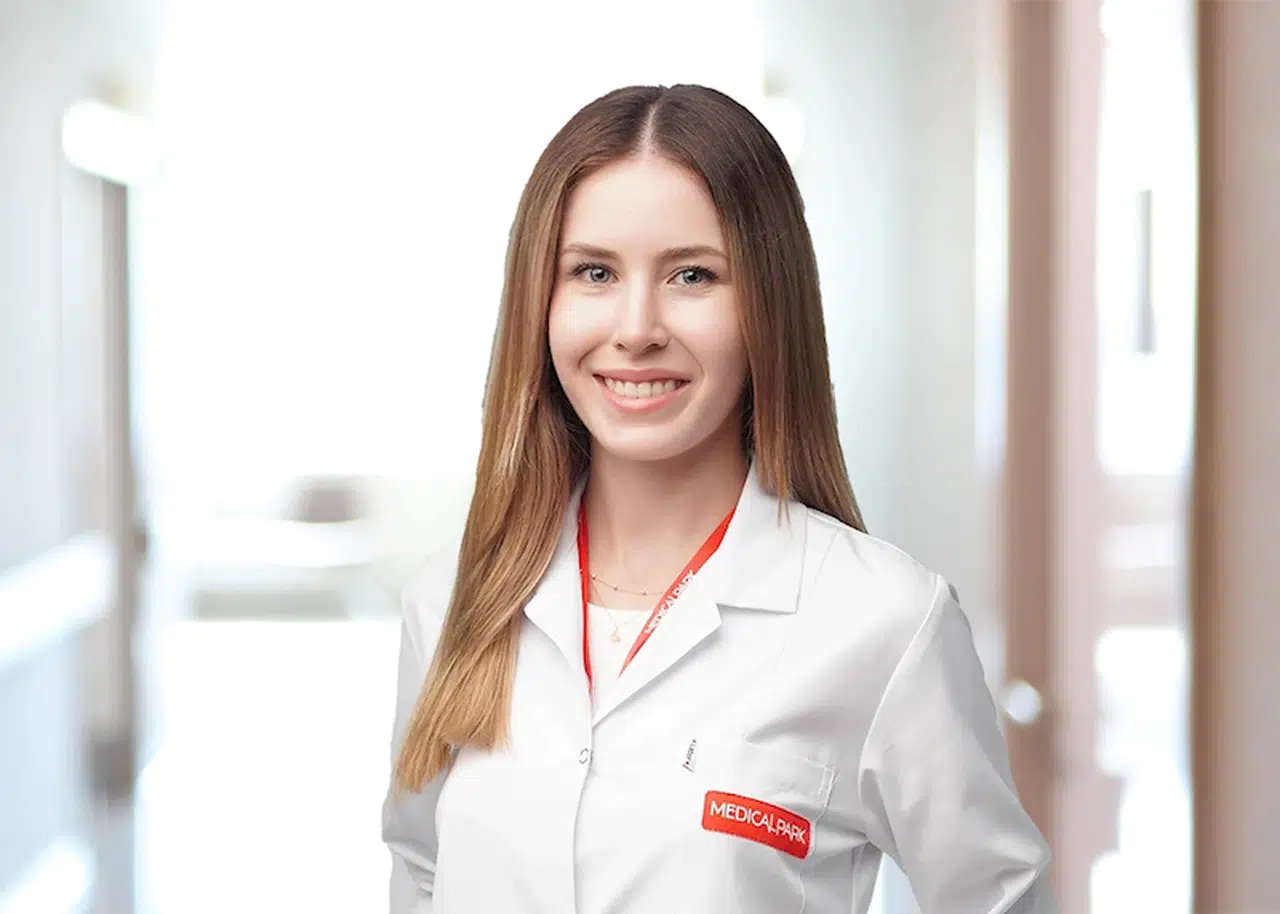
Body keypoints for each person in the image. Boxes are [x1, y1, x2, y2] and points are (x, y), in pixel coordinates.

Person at [381, 84, 1056, 914]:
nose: (636, 328)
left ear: (768, 304)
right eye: (594, 272)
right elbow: (421, 872)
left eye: (692, 275)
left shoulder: (883, 623)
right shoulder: (454, 600)